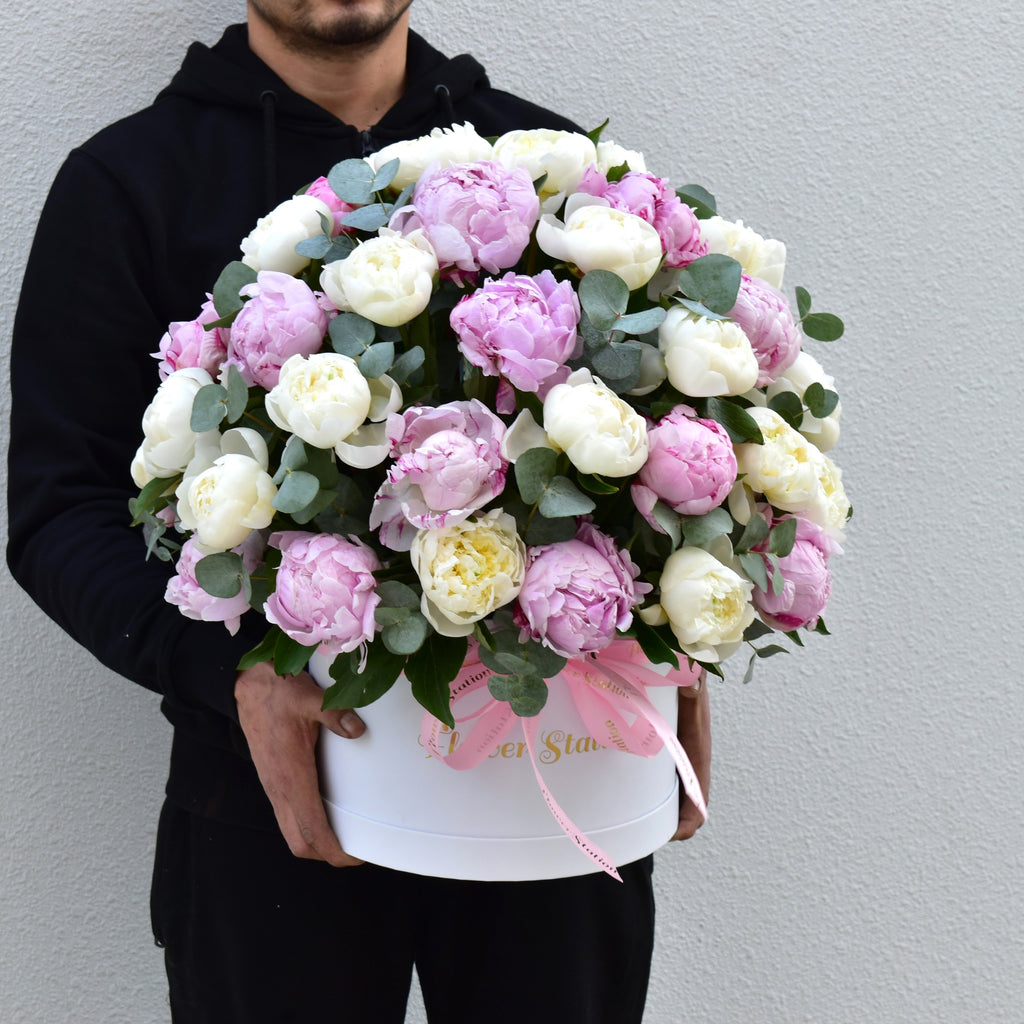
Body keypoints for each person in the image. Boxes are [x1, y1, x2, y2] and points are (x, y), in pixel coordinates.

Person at [7, 1, 710, 1020]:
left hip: (548, 770)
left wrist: (669, 646)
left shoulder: (550, 175)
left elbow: (663, 444)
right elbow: (58, 512)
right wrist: (234, 671)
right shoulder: (132, 183)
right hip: (265, 802)